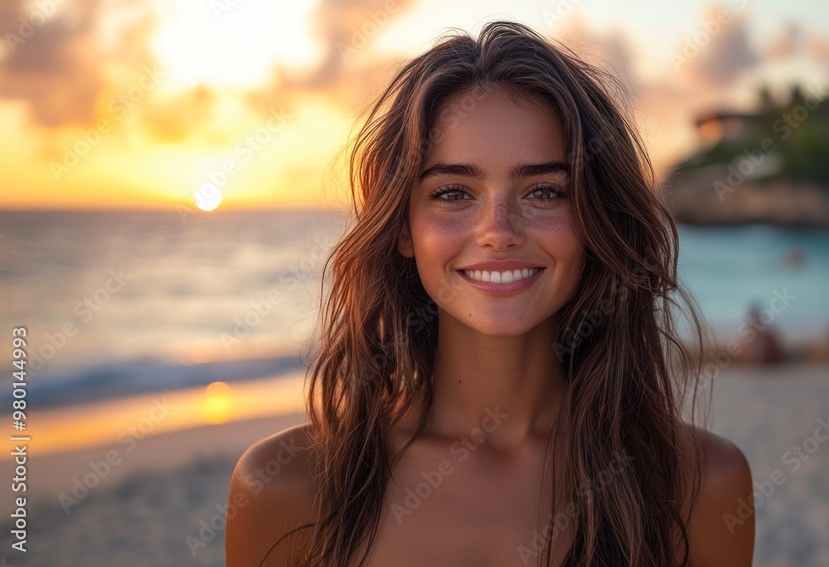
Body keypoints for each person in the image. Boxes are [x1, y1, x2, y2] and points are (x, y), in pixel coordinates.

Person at [226, 21, 753, 567]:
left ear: (597, 220)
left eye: (545, 191)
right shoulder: (286, 489)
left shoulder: (702, 486)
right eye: (453, 192)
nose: (498, 230)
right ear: (404, 228)